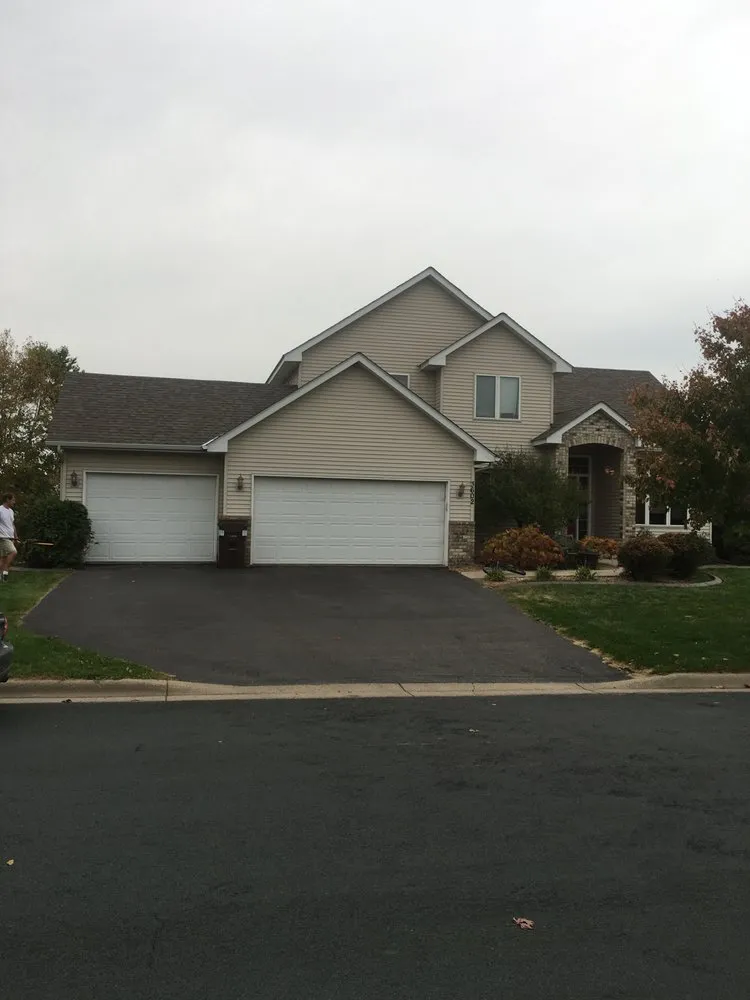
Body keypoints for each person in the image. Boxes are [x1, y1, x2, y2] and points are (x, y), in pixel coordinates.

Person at [0, 493, 19, 583]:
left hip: (10, 538)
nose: (14, 502)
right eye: (13, 500)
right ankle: (5, 570)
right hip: (3, 537)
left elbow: (12, 525)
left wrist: (16, 537)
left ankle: (3, 576)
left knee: (3, 558)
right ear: (7, 499)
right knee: (13, 552)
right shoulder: (0, 510)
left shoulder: (11, 511)